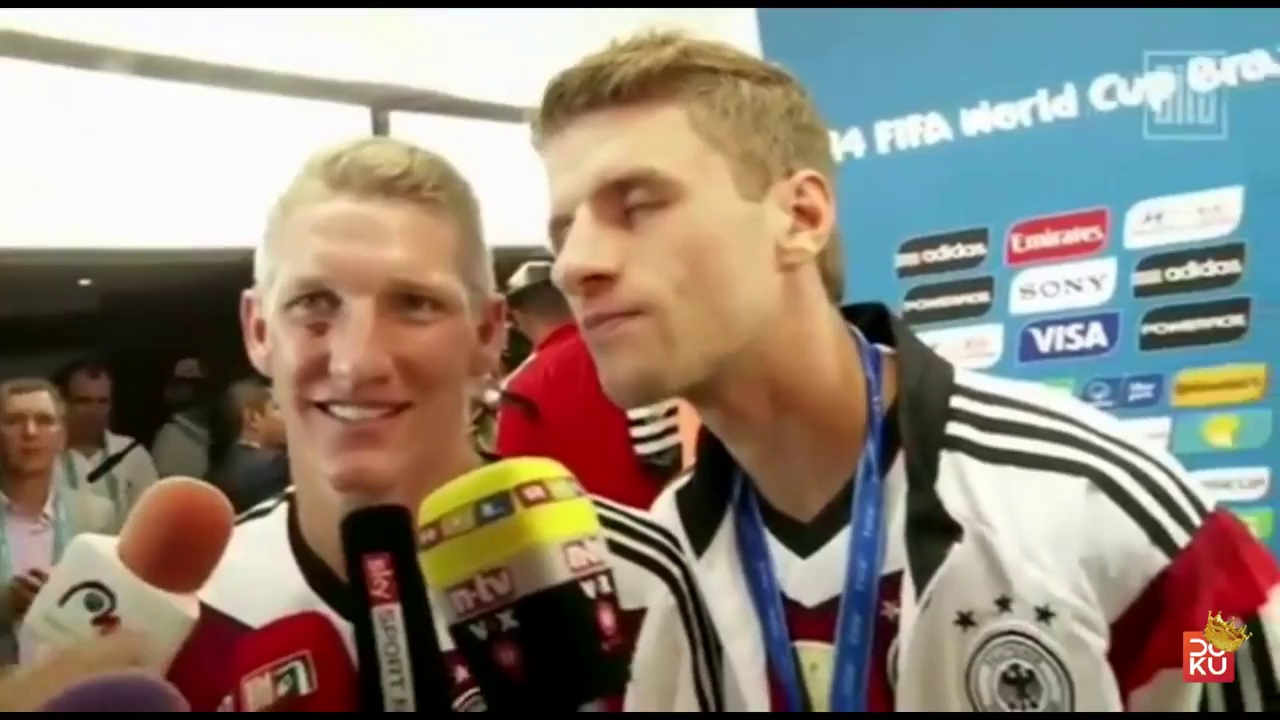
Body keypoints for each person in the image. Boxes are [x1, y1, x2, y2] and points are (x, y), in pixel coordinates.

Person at [530, 30, 1280, 711]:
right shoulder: (665, 562)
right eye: (564, 232)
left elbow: (1227, 635)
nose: (574, 265)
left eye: (636, 206)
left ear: (800, 218)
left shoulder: (1086, 496)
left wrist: (1208, 665)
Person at [164, 137, 710, 711]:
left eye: (415, 305)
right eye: (313, 303)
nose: (357, 363)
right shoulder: (191, 609)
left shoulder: (637, 581)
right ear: (257, 330)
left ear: (488, 333)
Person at [497, 260, 683, 509]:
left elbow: (518, 490)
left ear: (519, 317)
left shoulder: (519, 389)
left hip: (585, 529)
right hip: (670, 520)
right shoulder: (641, 350)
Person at [0, 379, 114, 664]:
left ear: (62, 437)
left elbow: (117, 613)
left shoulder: (96, 516)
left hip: (71, 679)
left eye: (44, 421)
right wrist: (6, 604)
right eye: (14, 421)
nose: (30, 432)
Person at [52, 359, 158, 531]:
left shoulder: (132, 455)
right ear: (61, 403)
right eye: (83, 401)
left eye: (102, 401)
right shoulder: (43, 454)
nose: (94, 411)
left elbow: (152, 519)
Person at [207, 378, 288, 514]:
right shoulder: (275, 465)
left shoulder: (218, 471)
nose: (287, 416)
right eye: (276, 408)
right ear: (252, 418)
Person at [151, 358, 213, 480]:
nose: (197, 393)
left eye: (201, 387)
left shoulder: (204, 434)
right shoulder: (171, 438)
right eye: (188, 386)